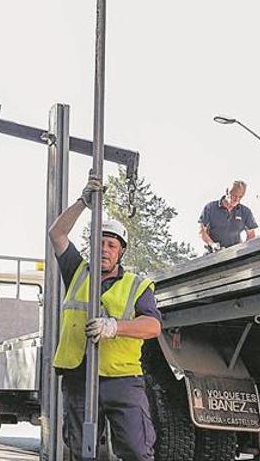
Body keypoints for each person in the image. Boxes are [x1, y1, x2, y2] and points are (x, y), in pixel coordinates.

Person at [48, 177, 162, 461]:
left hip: (122, 379)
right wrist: (82, 203)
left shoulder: (137, 285)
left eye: (112, 244)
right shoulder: (77, 271)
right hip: (79, 376)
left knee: (137, 450)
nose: (105, 249)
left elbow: (152, 325)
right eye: (100, 242)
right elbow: (57, 234)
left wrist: (115, 327)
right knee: (80, 450)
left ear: (120, 251)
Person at [199, 180, 257, 253]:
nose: (237, 199)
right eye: (234, 195)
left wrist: (244, 250)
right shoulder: (210, 208)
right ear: (227, 191)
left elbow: (251, 235)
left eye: (240, 197)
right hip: (213, 254)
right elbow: (202, 232)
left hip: (235, 255)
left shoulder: (245, 212)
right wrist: (212, 244)